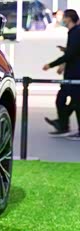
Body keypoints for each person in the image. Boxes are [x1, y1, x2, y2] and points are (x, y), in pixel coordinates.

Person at [44, 9, 80, 137]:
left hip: (75, 74)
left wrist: (51, 64)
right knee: (68, 100)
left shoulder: (76, 32)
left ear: (69, 18)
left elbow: (72, 54)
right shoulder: (73, 32)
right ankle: (62, 123)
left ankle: (63, 123)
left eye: (64, 17)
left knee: (74, 101)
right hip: (72, 72)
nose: (62, 20)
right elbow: (73, 51)